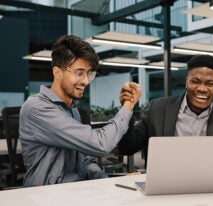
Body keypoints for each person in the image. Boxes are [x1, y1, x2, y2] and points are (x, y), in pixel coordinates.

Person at [19, 35, 142, 187]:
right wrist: (128, 106)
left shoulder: (72, 109)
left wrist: (112, 183)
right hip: (46, 195)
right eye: (79, 73)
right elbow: (100, 144)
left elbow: (85, 162)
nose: (85, 81)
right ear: (57, 72)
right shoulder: (37, 108)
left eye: (89, 73)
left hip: (76, 191)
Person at [118, 55, 213, 167]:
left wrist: (192, 156)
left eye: (210, 83)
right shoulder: (158, 108)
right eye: (195, 81)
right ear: (187, 82)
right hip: (166, 182)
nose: (202, 89)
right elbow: (127, 148)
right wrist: (127, 108)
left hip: (211, 182)